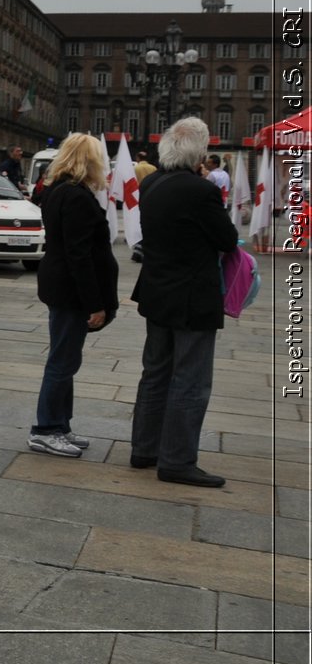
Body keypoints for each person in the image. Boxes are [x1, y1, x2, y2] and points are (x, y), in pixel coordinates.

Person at [130, 118, 241, 487]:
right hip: (192, 297)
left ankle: (145, 449)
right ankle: (177, 460)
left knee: (155, 372)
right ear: (199, 152)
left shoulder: (151, 184)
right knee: (190, 379)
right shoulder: (200, 191)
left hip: (156, 292)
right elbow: (227, 239)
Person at [28, 133, 119, 458]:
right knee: (62, 361)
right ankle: (46, 429)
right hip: (69, 290)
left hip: (58, 285)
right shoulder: (77, 197)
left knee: (66, 359)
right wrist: (94, 304)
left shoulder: (57, 192)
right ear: (91, 161)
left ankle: (60, 424)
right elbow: (79, 256)